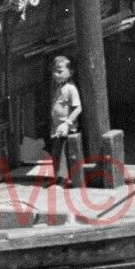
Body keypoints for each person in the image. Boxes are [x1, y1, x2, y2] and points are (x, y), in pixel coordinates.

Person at [47, 54, 82, 184]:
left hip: (65, 127)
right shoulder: (57, 88)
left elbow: (78, 108)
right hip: (56, 127)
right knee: (56, 153)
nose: (56, 74)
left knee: (62, 153)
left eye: (60, 71)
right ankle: (58, 178)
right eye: (54, 71)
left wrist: (67, 123)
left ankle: (62, 180)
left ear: (70, 72)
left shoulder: (71, 89)